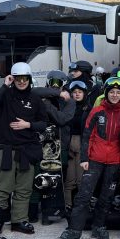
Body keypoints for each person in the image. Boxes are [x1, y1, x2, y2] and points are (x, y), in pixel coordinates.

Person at [59, 77, 120, 239]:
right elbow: (86, 136)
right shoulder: (97, 111)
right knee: (84, 195)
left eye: (117, 92)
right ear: (106, 93)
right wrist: (84, 158)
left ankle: (99, 227)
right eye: (111, 92)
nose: (114, 95)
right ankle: (74, 230)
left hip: (114, 162)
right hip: (94, 160)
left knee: (107, 196)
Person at [0, 62, 49, 234]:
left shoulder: (36, 99)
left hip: (27, 150)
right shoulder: (5, 95)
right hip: (6, 149)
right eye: (18, 79)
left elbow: (43, 123)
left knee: (24, 188)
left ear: (29, 79)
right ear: (12, 79)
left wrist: (28, 124)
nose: (22, 82)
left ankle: (19, 221)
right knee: (2, 187)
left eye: (25, 79)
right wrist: (4, 85)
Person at [29, 70, 75, 225]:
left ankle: (51, 212)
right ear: (47, 83)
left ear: (64, 84)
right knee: (36, 176)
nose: (55, 86)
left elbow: (62, 119)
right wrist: (53, 94)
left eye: (59, 83)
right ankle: (32, 211)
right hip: (39, 143)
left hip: (58, 145)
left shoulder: (69, 100)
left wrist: (47, 103)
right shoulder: (39, 94)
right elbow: (32, 90)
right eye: (52, 82)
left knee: (54, 179)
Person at [63, 80, 91, 211]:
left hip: (82, 143)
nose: (77, 94)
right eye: (74, 92)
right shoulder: (66, 106)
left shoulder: (89, 108)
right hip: (68, 143)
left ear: (84, 94)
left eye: (80, 92)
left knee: (81, 179)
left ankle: (81, 205)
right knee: (69, 179)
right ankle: (67, 205)